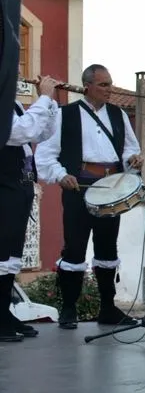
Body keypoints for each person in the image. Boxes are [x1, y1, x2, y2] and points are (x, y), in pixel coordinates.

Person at [35, 64, 142, 329]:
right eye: (103, 85)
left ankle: (108, 308)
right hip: (78, 187)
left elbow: (129, 148)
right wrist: (61, 175)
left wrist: (132, 159)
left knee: (108, 247)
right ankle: (68, 309)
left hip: (111, 187)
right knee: (74, 247)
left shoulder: (118, 114)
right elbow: (46, 154)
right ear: (87, 87)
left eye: (110, 84)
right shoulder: (65, 114)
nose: (109, 89)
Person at [0, 76, 60, 342]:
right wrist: (44, 98)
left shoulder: (11, 103)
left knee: (12, 255)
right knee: (2, 255)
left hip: (19, 185)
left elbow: (41, 133)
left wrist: (50, 102)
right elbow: (19, 132)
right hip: (4, 185)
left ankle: (4, 312)